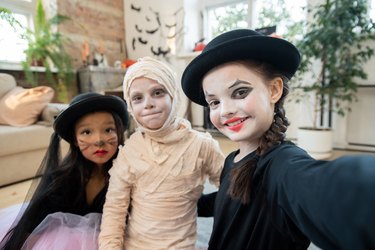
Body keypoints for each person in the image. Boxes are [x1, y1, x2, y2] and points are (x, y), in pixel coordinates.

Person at [181, 29, 375, 250]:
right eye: (214, 102)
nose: (225, 111)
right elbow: (234, 197)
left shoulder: (283, 166)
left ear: (274, 90)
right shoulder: (233, 160)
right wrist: (192, 204)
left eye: (240, 92)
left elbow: (338, 191)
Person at [98, 57, 224, 249]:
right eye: (137, 98)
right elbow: (115, 208)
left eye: (158, 93)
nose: (148, 104)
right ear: (130, 106)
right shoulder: (130, 151)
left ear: (173, 95)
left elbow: (232, 188)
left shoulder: (202, 145)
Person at [0, 92, 129, 250]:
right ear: (74, 139)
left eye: (108, 130)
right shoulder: (60, 179)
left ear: (119, 132)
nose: (99, 140)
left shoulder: (128, 176)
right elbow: (31, 225)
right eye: (86, 132)